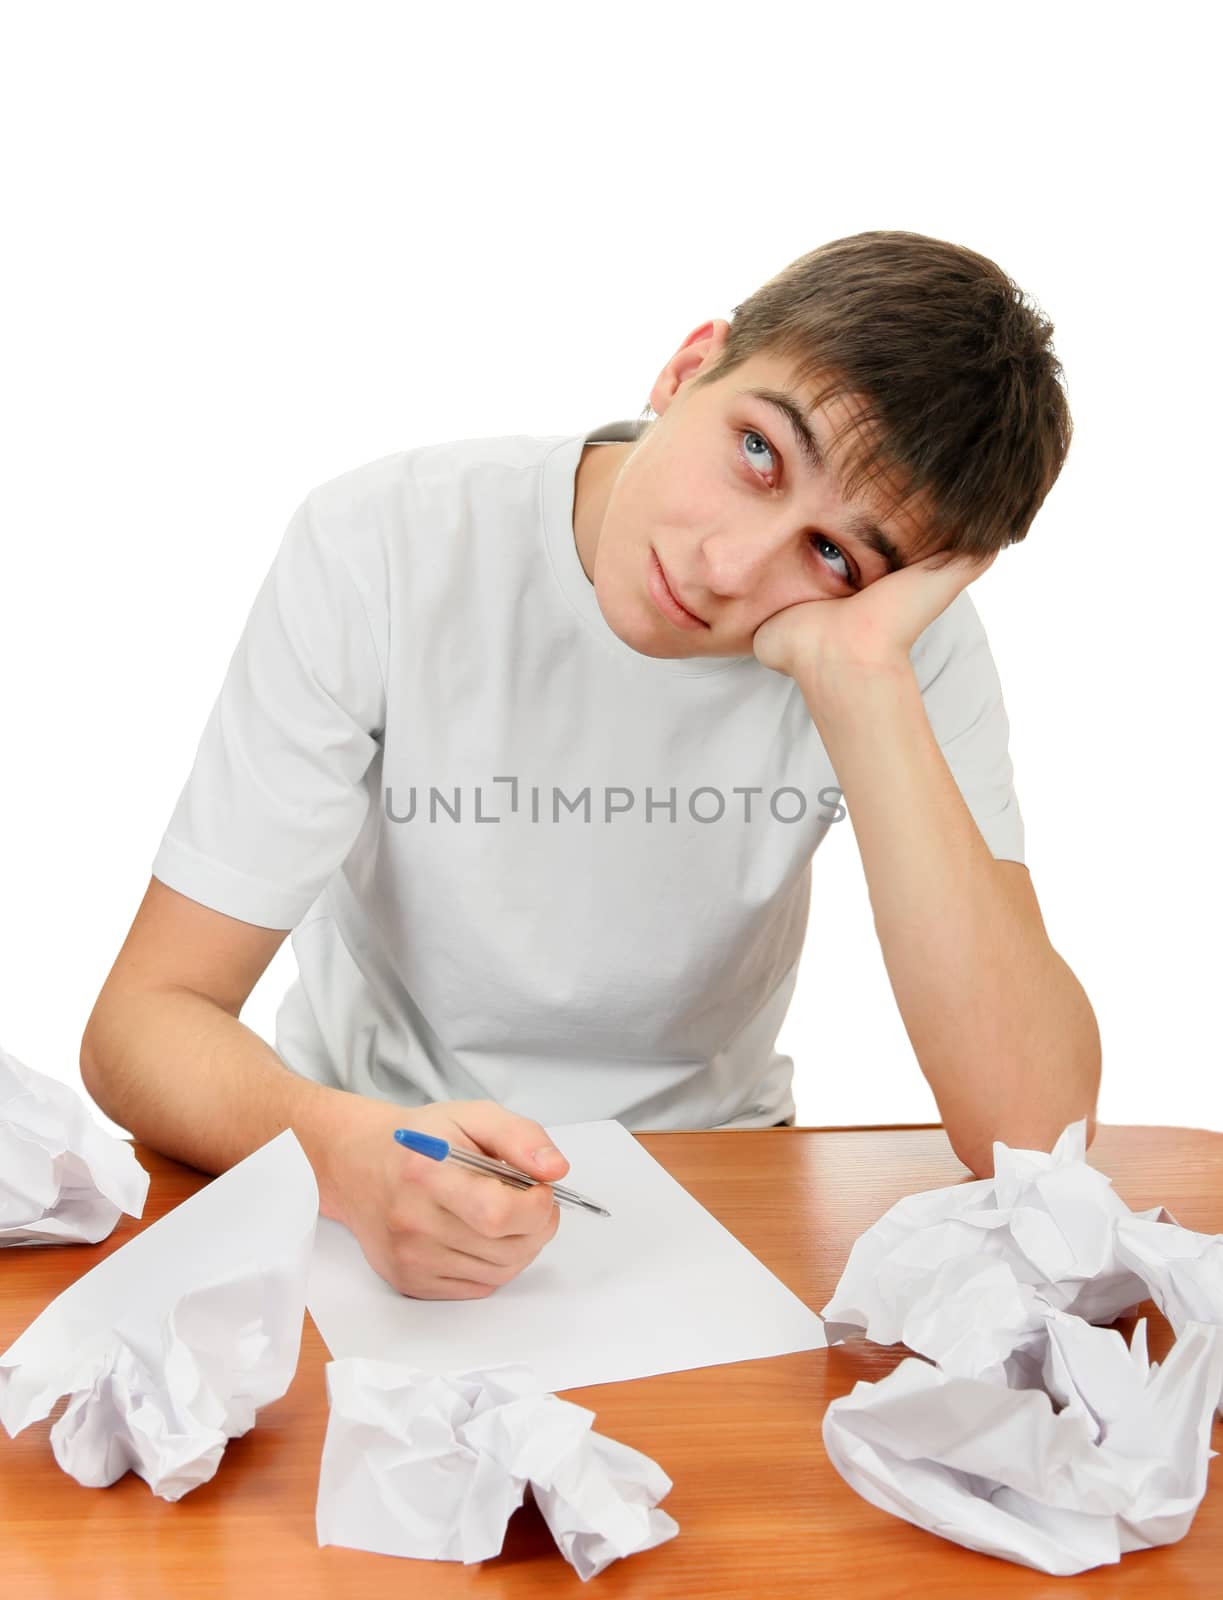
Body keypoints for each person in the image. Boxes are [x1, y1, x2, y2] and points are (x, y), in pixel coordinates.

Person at [80, 230, 1102, 1302]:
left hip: (708, 1185)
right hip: (370, 1151)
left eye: (833, 552)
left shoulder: (892, 647)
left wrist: (860, 679)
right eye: (757, 450)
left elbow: (1030, 1136)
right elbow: (143, 1022)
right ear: (686, 365)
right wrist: (342, 1151)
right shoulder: (385, 540)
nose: (725, 569)